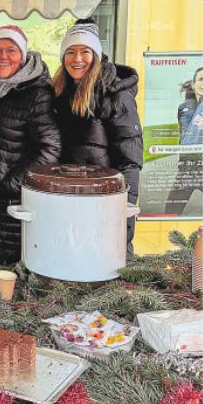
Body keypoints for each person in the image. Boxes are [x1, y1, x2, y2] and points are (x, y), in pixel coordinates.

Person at [0, 25, 61, 265]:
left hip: (15, 203)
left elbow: (50, 147)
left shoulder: (36, 92)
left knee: (19, 267)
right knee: (1, 267)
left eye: (11, 50)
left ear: (22, 54)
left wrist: (11, 183)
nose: (3, 57)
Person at [52, 18, 143, 252]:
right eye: (70, 52)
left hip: (104, 201)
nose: (77, 59)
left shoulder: (117, 96)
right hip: (70, 199)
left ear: (96, 55)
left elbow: (129, 159)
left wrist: (125, 215)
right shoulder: (60, 91)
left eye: (85, 51)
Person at [165, 66, 203, 215]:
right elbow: (187, 140)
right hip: (188, 168)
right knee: (171, 211)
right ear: (193, 84)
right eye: (201, 79)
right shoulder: (186, 107)